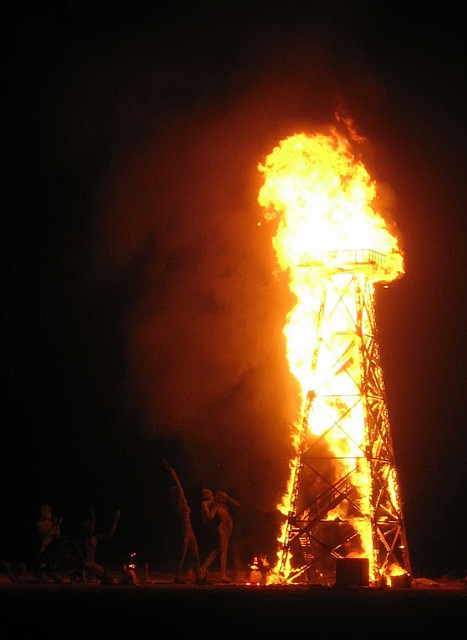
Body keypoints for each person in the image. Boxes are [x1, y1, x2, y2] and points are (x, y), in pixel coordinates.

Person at [162, 458, 202, 584]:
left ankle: (198, 575)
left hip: (188, 528)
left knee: (194, 551)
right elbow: (178, 484)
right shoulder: (182, 504)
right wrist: (171, 470)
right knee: (184, 552)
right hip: (185, 528)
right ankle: (177, 575)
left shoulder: (179, 507)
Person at [199, 489, 240, 583]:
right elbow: (210, 517)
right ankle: (223, 575)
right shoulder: (216, 506)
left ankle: (203, 567)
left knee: (217, 550)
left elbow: (238, 505)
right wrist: (205, 508)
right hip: (223, 528)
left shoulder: (225, 505)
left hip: (229, 527)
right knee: (223, 551)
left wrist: (228, 498)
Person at [77, 507, 120, 584]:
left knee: (107, 577)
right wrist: (93, 517)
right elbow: (81, 559)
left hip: (92, 563)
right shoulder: (83, 540)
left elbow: (110, 534)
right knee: (107, 579)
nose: (92, 529)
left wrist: (115, 521)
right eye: (89, 527)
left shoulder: (94, 538)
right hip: (87, 564)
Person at [35, 504, 63, 582]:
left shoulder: (51, 524)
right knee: (43, 562)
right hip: (44, 545)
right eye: (48, 511)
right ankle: (41, 576)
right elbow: (45, 536)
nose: (50, 513)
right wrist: (53, 525)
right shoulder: (40, 524)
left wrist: (58, 525)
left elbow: (57, 536)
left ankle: (49, 575)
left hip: (51, 547)